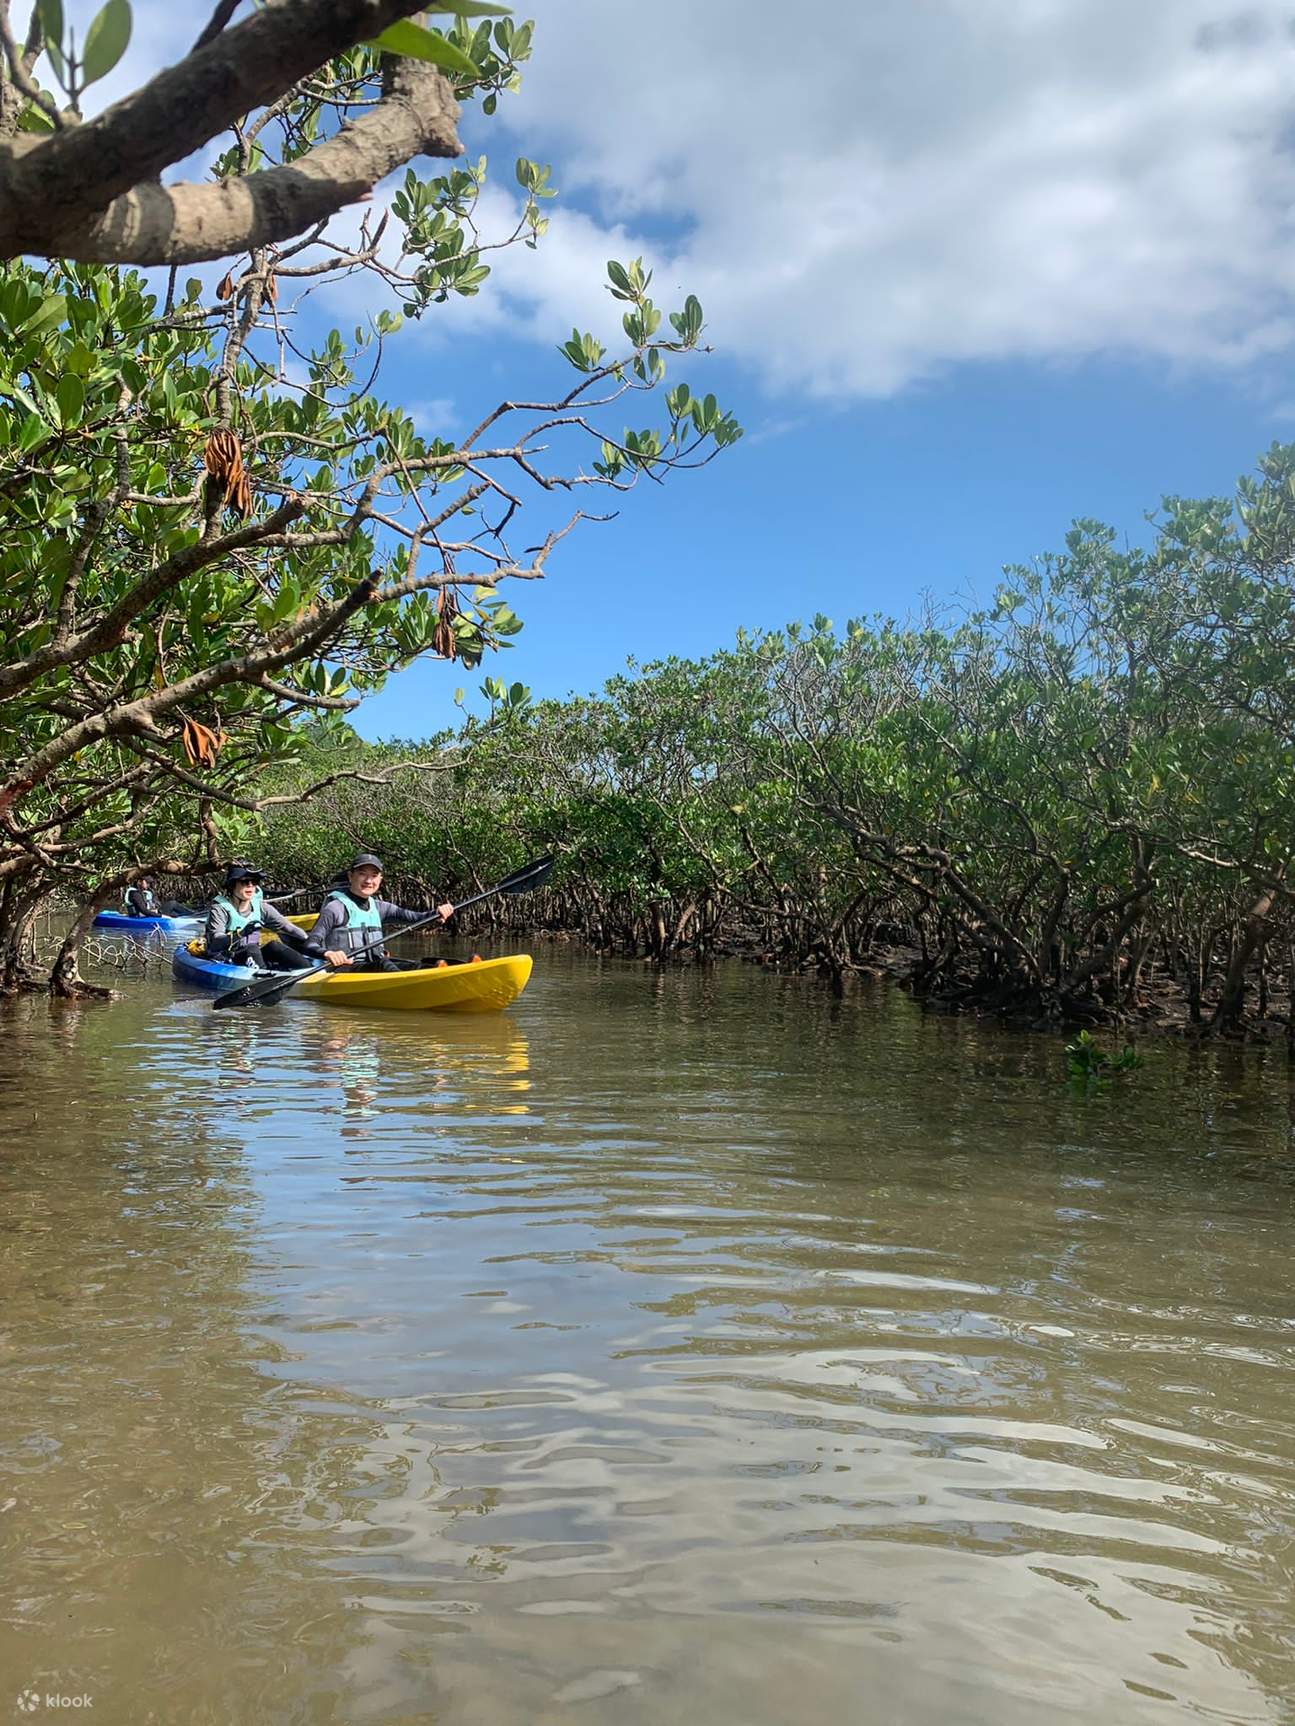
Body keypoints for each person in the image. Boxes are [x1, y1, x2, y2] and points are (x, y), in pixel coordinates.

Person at [304, 852, 454, 972]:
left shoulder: (381, 907)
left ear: (380, 879)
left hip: (374, 967)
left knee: (409, 964)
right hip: (343, 970)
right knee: (383, 963)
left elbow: (416, 918)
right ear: (351, 876)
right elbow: (310, 944)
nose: (369, 881)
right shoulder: (335, 908)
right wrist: (329, 954)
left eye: (374, 875)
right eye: (362, 874)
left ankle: (438, 973)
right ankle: (409, 985)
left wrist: (437, 913)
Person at [206, 862, 314, 972]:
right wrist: (241, 934)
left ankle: (310, 971)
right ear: (232, 885)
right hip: (226, 958)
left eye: (254, 882)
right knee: (251, 948)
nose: (250, 885)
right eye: (244, 882)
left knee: (274, 946)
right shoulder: (220, 909)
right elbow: (216, 942)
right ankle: (264, 977)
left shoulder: (261, 907)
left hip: (252, 955)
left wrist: (310, 941)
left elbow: (289, 928)